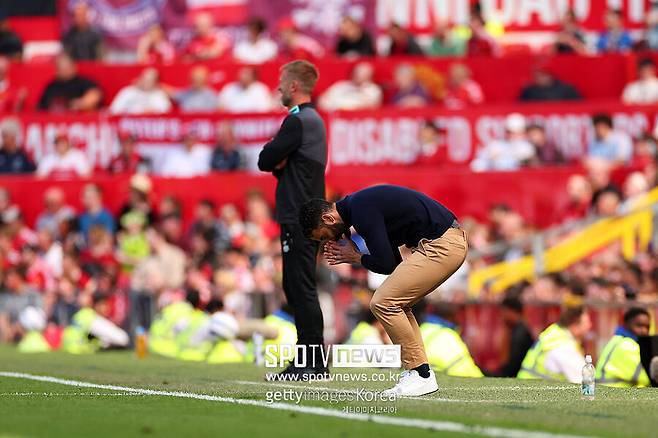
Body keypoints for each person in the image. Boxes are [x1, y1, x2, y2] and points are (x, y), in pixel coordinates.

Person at [299, 184, 467, 396]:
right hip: (444, 241)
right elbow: (393, 263)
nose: (329, 241)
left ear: (328, 218)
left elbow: (386, 264)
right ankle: (418, 371)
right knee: (396, 303)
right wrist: (359, 256)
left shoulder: (361, 210)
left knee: (383, 302)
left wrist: (356, 257)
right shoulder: (360, 206)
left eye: (324, 236)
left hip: (442, 245)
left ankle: (420, 373)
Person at [257, 60, 327, 376]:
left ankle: (312, 361)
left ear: (294, 86)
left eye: (282, 82)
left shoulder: (298, 121)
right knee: (296, 285)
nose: (278, 88)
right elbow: (274, 162)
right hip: (306, 215)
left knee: (300, 287)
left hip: (299, 216)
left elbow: (265, 159)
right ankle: (309, 359)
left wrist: (278, 158)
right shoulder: (311, 121)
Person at [518, 306, 591, 383]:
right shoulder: (563, 346)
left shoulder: (554, 334)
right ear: (574, 326)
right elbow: (584, 380)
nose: (590, 326)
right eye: (586, 323)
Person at [419, 303, 483, 377]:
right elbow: (465, 370)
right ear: (450, 318)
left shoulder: (421, 329)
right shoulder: (448, 335)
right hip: (440, 376)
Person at [596, 307, 651, 387]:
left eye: (647, 327)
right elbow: (646, 376)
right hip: (612, 392)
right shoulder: (627, 345)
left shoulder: (618, 340)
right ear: (626, 325)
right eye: (639, 326)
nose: (644, 331)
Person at [486, 295, 534, 377]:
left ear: (511, 311)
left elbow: (512, 366)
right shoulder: (516, 330)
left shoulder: (520, 334)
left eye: (503, 311)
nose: (501, 315)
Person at [470, 113, 536, 171]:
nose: (514, 136)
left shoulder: (528, 148)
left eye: (518, 132)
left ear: (523, 133)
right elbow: (477, 165)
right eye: (511, 132)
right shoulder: (496, 145)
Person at [37, 54, 102, 112]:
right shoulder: (51, 86)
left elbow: (95, 95)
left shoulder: (83, 82)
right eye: (60, 68)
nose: (64, 71)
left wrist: (80, 104)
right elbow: (41, 107)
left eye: (66, 67)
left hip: (78, 118)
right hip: (54, 119)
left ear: (74, 67)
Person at [318, 62, 382, 111]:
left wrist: (343, 108)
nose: (357, 75)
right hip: (334, 118)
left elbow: (368, 107)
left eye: (362, 73)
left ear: (369, 75)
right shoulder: (341, 85)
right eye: (356, 72)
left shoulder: (374, 90)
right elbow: (322, 100)